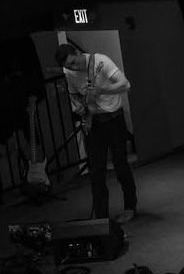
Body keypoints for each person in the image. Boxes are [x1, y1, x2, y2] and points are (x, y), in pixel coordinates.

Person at [55, 44, 137, 224]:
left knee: (120, 165)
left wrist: (102, 90)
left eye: (74, 63)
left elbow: (125, 85)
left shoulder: (101, 61)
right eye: (69, 66)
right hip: (93, 122)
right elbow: (74, 93)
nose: (73, 68)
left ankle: (130, 207)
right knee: (96, 171)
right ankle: (101, 217)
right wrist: (81, 108)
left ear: (78, 53)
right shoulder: (68, 72)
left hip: (114, 119)